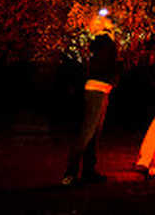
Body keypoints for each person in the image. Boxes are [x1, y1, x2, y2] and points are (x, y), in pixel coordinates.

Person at [62, 10, 120, 186]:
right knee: (87, 132)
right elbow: (104, 64)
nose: (112, 23)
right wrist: (113, 76)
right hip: (96, 89)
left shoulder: (105, 41)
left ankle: (88, 171)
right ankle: (70, 173)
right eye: (110, 21)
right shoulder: (103, 40)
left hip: (101, 89)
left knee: (94, 133)